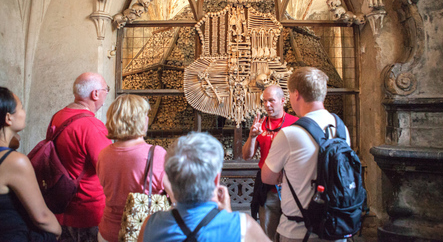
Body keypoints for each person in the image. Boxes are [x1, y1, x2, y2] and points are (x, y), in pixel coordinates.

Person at [261, 67, 350, 242]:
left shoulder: (290, 133)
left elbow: (267, 178)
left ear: (296, 94)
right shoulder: (341, 128)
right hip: (335, 226)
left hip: (299, 231)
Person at [138, 132, 270, 242]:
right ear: (216, 180)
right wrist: (228, 215)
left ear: (170, 180)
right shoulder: (243, 227)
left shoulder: (150, 225)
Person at [96, 94, 168, 242]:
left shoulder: (103, 154)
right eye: (145, 115)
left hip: (107, 232)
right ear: (141, 120)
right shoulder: (156, 154)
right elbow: (175, 194)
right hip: (143, 232)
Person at [51, 72, 112, 242]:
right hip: (88, 213)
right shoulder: (92, 126)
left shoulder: (58, 117)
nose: (106, 93)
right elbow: (108, 169)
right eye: (106, 89)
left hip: (60, 207)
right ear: (95, 94)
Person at [0, 87, 62, 241]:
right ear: (8, 118)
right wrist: (58, 231)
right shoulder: (14, 161)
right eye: (21, 106)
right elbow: (41, 217)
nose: (24, 111)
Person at [242, 85, 298, 240]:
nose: (267, 105)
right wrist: (252, 136)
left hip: (292, 188)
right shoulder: (260, 125)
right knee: (267, 234)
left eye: (271, 101)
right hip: (268, 190)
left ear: (282, 101)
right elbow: (247, 156)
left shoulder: (296, 123)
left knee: (293, 234)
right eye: (265, 101)